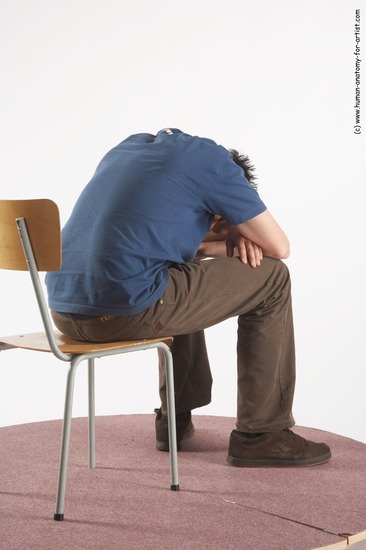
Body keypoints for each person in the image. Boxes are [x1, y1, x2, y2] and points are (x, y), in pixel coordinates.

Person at [46, 128, 331, 467]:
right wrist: (234, 238)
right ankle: (263, 434)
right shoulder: (215, 165)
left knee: (175, 274)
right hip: (120, 314)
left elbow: (152, 241)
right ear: (224, 212)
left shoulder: (131, 148)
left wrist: (213, 245)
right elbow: (279, 248)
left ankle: (173, 421)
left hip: (63, 313)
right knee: (273, 278)